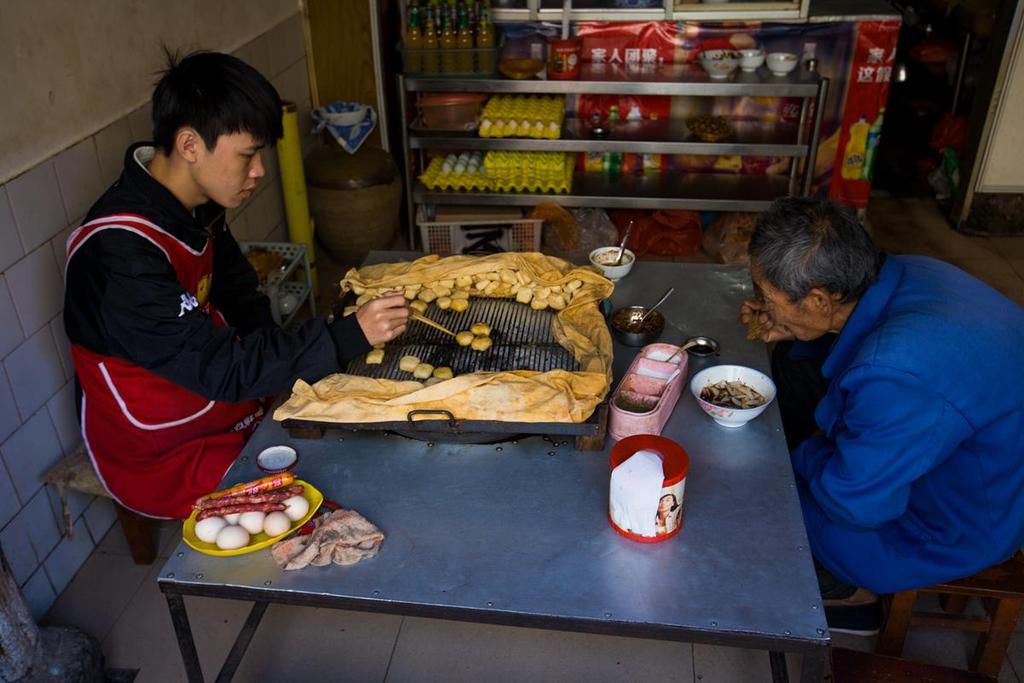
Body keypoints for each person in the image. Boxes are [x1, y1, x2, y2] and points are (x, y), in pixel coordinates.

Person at [63, 50, 409, 520]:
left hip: (216, 394)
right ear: (190, 145)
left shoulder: (196, 204)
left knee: (346, 439)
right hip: (161, 443)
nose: (259, 171)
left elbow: (241, 298)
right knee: (321, 493)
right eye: (247, 154)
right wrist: (344, 335)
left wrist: (294, 364)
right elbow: (220, 369)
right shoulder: (119, 253)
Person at [740, 198, 1024, 635]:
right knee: (794, 366)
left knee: (766, 493)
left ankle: (851, 596)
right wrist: (792, 328)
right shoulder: (908, 271)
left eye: (768, 296)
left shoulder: (898, 371)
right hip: (973, 450)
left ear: (818, 300)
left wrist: (797, 454)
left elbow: (855, 505)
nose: (762, 304)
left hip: (966, 516)